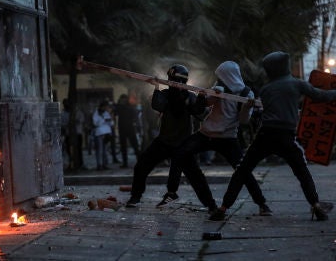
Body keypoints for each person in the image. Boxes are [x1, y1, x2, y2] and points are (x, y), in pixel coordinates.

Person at [210, 51, 336, 221]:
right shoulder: (297, 84)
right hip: (286, 136)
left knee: (242, 170)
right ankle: (316, 205)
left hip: (265, 135)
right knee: (302, 171)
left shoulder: (266, 89)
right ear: (286, 66)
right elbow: (321, 96)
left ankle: (223, 208)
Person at [157, 61, 271, 217]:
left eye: (221, 77)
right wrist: (208, 95)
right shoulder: (218, 88)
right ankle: (202, 201)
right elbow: (204, 105)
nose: (219, 80)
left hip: (228, 138)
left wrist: (247, 107)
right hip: (206, 134)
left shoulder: (246, 94)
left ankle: (262, 204)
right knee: (180, 153)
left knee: (243, 170)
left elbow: (244, 120)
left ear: (228, 76)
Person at [126, 64, 217, 212]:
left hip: (183, 144)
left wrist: (201, 99)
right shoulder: (166, 94)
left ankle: (211, 205)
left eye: (180, 81)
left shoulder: (190, 96)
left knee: (196, 177)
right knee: (141, 166)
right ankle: (135, 197)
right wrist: (156, 87)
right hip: (164, 141)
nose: (178, 84)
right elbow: (157, 105)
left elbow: (200, 114)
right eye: (175, 81)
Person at [114, 94, 140, 168]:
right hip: (123, 129)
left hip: (130, 129)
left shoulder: (129, 107)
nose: (123, 101)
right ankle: (125, 163)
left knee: (135, 146)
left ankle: (139, 162)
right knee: (124, 147)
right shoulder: (120, 107)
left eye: (124, 99)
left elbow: (135, 116)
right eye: (122, 99)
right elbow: (115, 112)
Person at [93, 101, 113, 170]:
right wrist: (103, 119)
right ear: (101, 107)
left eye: (106, 107)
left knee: (105, 150)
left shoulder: (106, 113)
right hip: (99, 133)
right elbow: (95, 123)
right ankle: (99, 165)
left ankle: (104, 164)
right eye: (104, 107)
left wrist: (110, 120)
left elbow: (111, 123)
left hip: (106, 133)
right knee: (100, 150)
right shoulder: (96, 113)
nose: (106, 108)